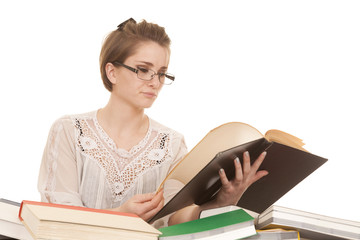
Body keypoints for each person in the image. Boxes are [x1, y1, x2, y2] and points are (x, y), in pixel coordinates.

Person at [38, 18, 268, 228]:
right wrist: (120, 214)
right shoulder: (69, 131)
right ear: (112, 72)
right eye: (143, 70)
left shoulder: (171, 144)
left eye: (161, 73)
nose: (155, 82)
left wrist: (221, 202)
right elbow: (57, 219)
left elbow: (175, 219)